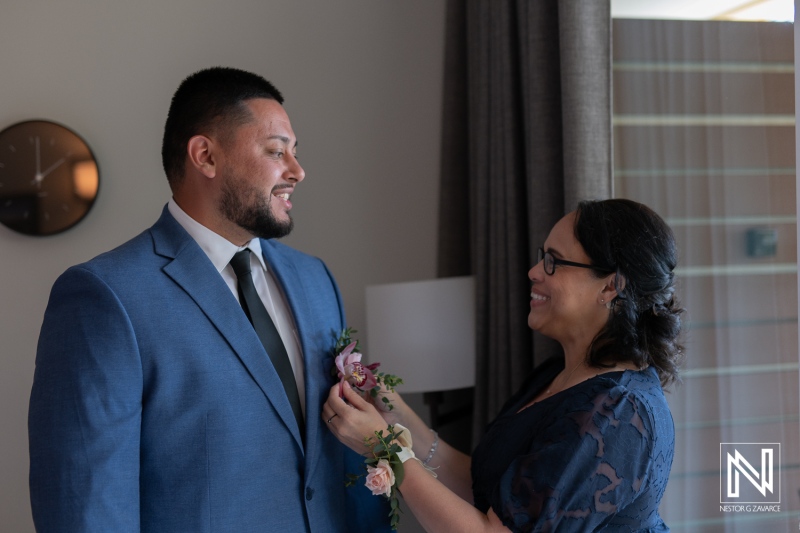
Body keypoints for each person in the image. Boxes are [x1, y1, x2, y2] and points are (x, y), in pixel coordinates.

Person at [29, 67, 389, 532]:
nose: (297, 172)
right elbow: (84, 503)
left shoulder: (315, 279)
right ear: (205, 156)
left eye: (295, 154)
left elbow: (342, 464)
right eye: (277, 151)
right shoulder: (105, 297)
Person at [324, 198, 683, 532]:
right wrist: (398, 417)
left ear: (611, 287)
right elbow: (491, 491)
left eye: (553, 262)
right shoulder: (556, 375)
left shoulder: (616, 412)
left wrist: (384, 448)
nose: (533, 272)